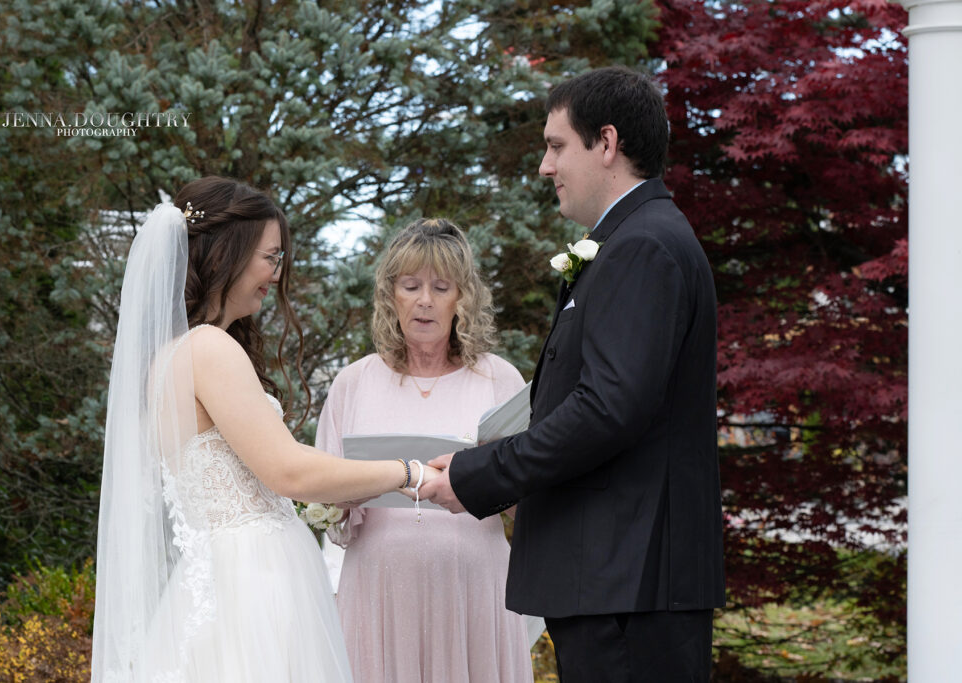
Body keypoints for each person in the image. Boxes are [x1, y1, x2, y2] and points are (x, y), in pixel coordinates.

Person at [420, 66, 726, 681]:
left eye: (557, 145)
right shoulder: (636, 239)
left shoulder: (642, 246)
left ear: (606, 144)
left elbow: (607, 409)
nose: (544, 166)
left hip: (627, 583)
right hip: (618, 580)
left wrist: (480, 473)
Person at [91, 176, 437, 682]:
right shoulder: (207, 348)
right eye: (269, 257)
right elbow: (287, 472)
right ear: (227, 253)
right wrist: (409, 473)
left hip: (223, 578)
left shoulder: (171, 356)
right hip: (250, 585)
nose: (275, 274)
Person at [317, 218, 534, 683]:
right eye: (410, 285)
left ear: (463, 298)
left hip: (474, 592)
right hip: (379, 594)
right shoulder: (353, 382)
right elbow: (322, 499)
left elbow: (534, 499)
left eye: (441, 287)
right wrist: (343, 497)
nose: (424, 301)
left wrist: (489, 480)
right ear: (389, 294)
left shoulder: (499, 379)